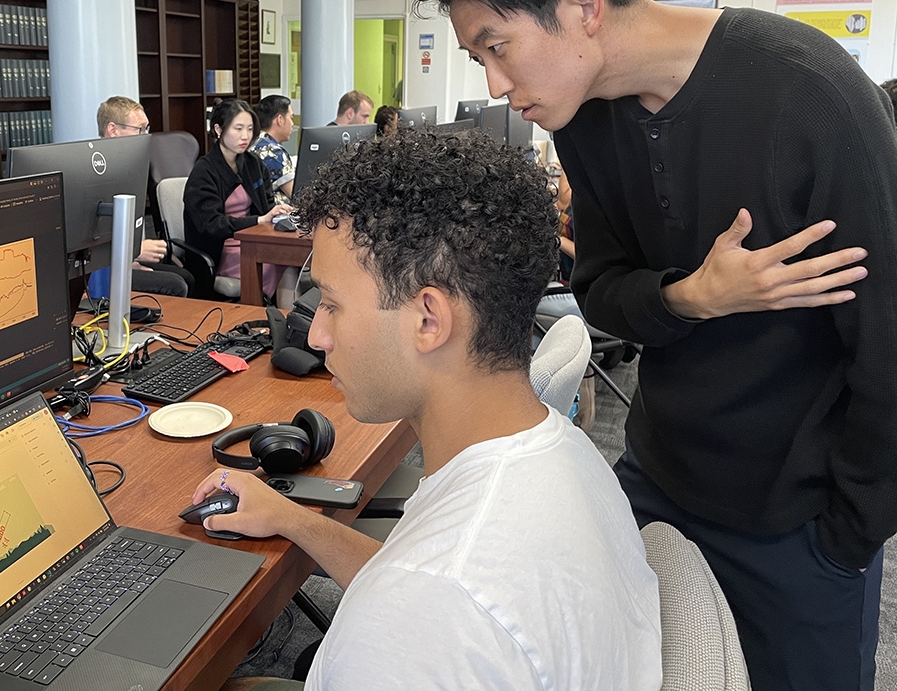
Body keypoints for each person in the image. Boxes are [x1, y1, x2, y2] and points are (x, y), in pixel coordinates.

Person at [413, 0, 897, 691]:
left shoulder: (810, 95)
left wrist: (850, 530)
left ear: (582, 6)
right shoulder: (585, 117)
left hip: (800, 518)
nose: (495, 84)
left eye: (497, 46)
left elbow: (889, 344)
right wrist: (691, 297)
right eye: (478, 58)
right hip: (657, 478)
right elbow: (602, 290)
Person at [197, 130, 661, 690]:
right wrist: (290, 518)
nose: (315, 334)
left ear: (428, 320)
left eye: (332, 304)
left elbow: (425, 599)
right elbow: (410, 581)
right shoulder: (560, 453)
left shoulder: (426, 614)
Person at [183, 98, 291, 298]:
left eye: (250, 129)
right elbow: (211, 225)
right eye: (238, 128)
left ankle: (286, 323)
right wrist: (259, 220)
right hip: (221, 250)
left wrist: (280, 216)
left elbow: (266, 207)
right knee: (278, 264)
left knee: (290, 261)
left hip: (254, 242)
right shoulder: (204, 171)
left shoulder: (253, 164)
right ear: (218, 129)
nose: (245, 136)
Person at [92, 96, 194, 298]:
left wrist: (132, 258)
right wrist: (133, 252)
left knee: (187, 277)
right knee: (175, 284)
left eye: (147, 128)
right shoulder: (95, 174)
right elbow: (91, 241)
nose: (146, 136)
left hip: (124, 257)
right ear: (113, 130)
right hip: (100, 270)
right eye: (140, 129)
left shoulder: (129, 169)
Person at [249, 94, 296, 203]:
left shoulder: (253, 141)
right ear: (280, 119)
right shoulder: (273, 151)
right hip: (277, 216)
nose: (292, 124)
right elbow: (297, 196)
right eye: (291, 118)